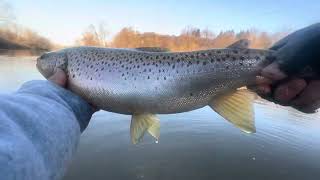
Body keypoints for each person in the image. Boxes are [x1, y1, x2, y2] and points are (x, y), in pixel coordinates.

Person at [0, 23, 319, 180]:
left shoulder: (68, 61)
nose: (42, 62)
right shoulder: (71, 59)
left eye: (45, 59)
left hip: (221, 73)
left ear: (60, 65)